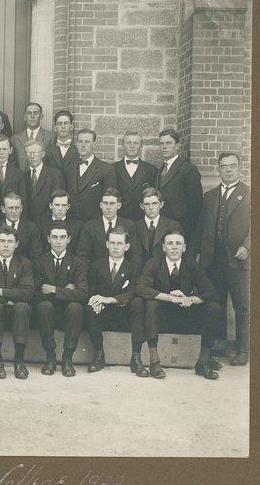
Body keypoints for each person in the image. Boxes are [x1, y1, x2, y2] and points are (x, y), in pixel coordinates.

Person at [136, 230, 223, 380]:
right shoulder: (154, 263)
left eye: (178, 244)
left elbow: (211, 293)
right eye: (170, 243)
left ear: (184, 247)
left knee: (213, 307)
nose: (174, 247)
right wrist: (171, 298)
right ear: (163, 247)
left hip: (186, 317)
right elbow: (141, 288)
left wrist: (190, 300)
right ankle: (154, 362)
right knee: (151, 304)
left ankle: (202, 362)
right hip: (161, 319)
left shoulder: (191, 264)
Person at [196, 151, 251, 366]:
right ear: (218, 169)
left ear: (239, 168)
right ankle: (215, 346)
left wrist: (247, 247)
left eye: (232, 166)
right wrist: (197, 255)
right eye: (224, 166)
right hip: (213, 261)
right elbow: (201, 228)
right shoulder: (209, 196)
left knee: (242, 306)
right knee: (215, 305)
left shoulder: (249, 193)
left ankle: (243, 350)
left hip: (237, 261)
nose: (228, 170)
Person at [85, 226, 147, 376]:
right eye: (112, 243)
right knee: (90, 307)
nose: (115, 247)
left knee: (138, 303)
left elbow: (134, 291)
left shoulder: (133, 267)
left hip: (124, 313)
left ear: (127, 246)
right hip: (104, 314)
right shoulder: (95, 266)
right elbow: (91, 290)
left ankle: (136, 357)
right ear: (107, 244)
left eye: (119, 243)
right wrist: (97, 301)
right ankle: (99, 354)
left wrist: (109, 299)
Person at [33, 222, 89, 376]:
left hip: (69, 313)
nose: (58, 241)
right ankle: (50, 357)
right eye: (55, 237)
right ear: (48, 239)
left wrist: (54, 289)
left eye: (62, 237)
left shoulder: (77, 263)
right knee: (44, 306)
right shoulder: (39, 262)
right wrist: (67, 290)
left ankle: (67, 359)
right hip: (47, 311)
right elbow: (36, 293)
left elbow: (83, 293)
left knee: (76, 307)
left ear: (69, 239)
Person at [0, 226, 35, 379]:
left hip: (17, 310)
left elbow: (27, 292)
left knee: (22, 307)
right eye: (2, 241)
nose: (5, 245)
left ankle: (19, 360)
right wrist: (9, 300)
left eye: (10, 241)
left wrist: (1, 291)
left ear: (16, 244)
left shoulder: (24, 264)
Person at [155, 127, 203, 240]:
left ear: (177, 146)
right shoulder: (159, 170)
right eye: (162, 144)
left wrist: (188, 229)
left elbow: (196, 204)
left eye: (168, 143)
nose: (164, 147)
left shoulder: (188, 169)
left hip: (181, 228)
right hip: (162, 227)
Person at [65, 128, 117, 221]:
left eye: (87, 142)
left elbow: (110, 198)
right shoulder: (69, 168)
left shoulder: (106, 169)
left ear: (94, 144)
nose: (83, 145)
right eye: (80, 142)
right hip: (71, 221)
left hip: (94, 222)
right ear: (76, 145)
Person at [78, 188, 138, 265]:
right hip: (95, 274)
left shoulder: (129, 226)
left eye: (112, 203)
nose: (108, 207)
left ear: (119, 205)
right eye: (105, 203)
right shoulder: (89, 227)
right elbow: (82, 257)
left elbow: (135, 256)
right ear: (101, 205)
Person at [113, 131, 158, 222]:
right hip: (119, 219)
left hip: (143, 220)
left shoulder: (151, 170)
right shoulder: (113, 168)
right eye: (129, 142)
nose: (132, 146)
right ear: (123, 145)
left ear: (141, 146)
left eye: (136, 143)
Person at [0, 192, 44, 260]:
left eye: (17, 208)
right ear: (3, 209)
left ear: (21, 208)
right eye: (11, 208)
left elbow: (36, 258)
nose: (14, 211)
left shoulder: (32, 228)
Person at [134, 187, 181, 265]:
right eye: (147, 204)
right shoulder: (135, 227)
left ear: (161, 204)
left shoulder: (173, 226)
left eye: (154, 203)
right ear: (142, 206)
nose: (151, 208)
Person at [21, 140, 65, 225]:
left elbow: (58, 201)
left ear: (43, 154)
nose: (32, 156)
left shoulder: (55, 174)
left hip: (47, 223)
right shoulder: (23, 176)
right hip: (28, 224)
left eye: (35, 153)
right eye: (29, 153)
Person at [39, 189, 84, 256]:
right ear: (50, 206)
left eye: (63, 205)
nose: (60, 209)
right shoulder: (41, 227)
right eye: (57, 205)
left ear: (68, 207)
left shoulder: (78, 227)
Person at [45, 109, 78, 174]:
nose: (63, 126)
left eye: (66, 123)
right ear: (55, 128)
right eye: (59, 124)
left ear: (71, 127)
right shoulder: (47, 152)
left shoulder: (79, 151)